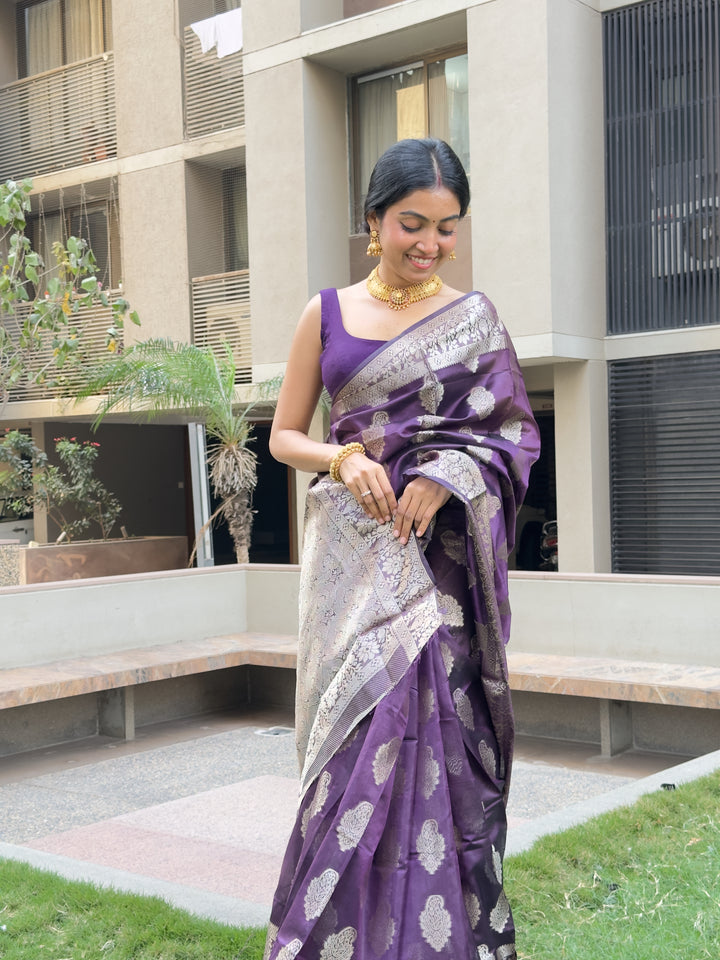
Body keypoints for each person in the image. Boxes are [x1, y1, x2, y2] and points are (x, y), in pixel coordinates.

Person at [266, 138, 540, 960]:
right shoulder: (326, 313)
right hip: (354, 571)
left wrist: (451, 472)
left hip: (442, 575)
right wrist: (342, 456)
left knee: (440, 754)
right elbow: (284, 435)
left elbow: (515, 434)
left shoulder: (476, 318)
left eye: (448, 228)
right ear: (373, 221)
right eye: (412, 224)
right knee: (356, 753)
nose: (429, 244)